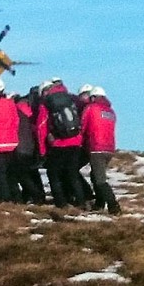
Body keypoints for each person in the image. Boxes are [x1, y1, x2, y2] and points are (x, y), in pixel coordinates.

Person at [36, 79, 86, 208]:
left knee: (53, 174)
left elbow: (41, 128)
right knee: (72, 173)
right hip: (76, 142)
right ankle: (81, 202)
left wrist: (42, 150)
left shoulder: (46, 104)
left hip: (58, 144)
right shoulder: (71, 98)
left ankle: (61, 203)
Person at [81, 86, 120, 214]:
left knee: (100, 180)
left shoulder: (91, 108)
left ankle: (113, 206)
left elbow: (83, 126)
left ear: (93, 97)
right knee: (95, 175)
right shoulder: (111, 112)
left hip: (96, 147)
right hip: (109, 148)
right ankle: (99, 203)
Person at [14, 88, 46, 204]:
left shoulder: (18, 109)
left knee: (22, 173)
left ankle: (35, 194)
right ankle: (37, 195)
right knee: (32, 171)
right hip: (33, 145)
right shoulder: (35, 108)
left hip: (22, 146)